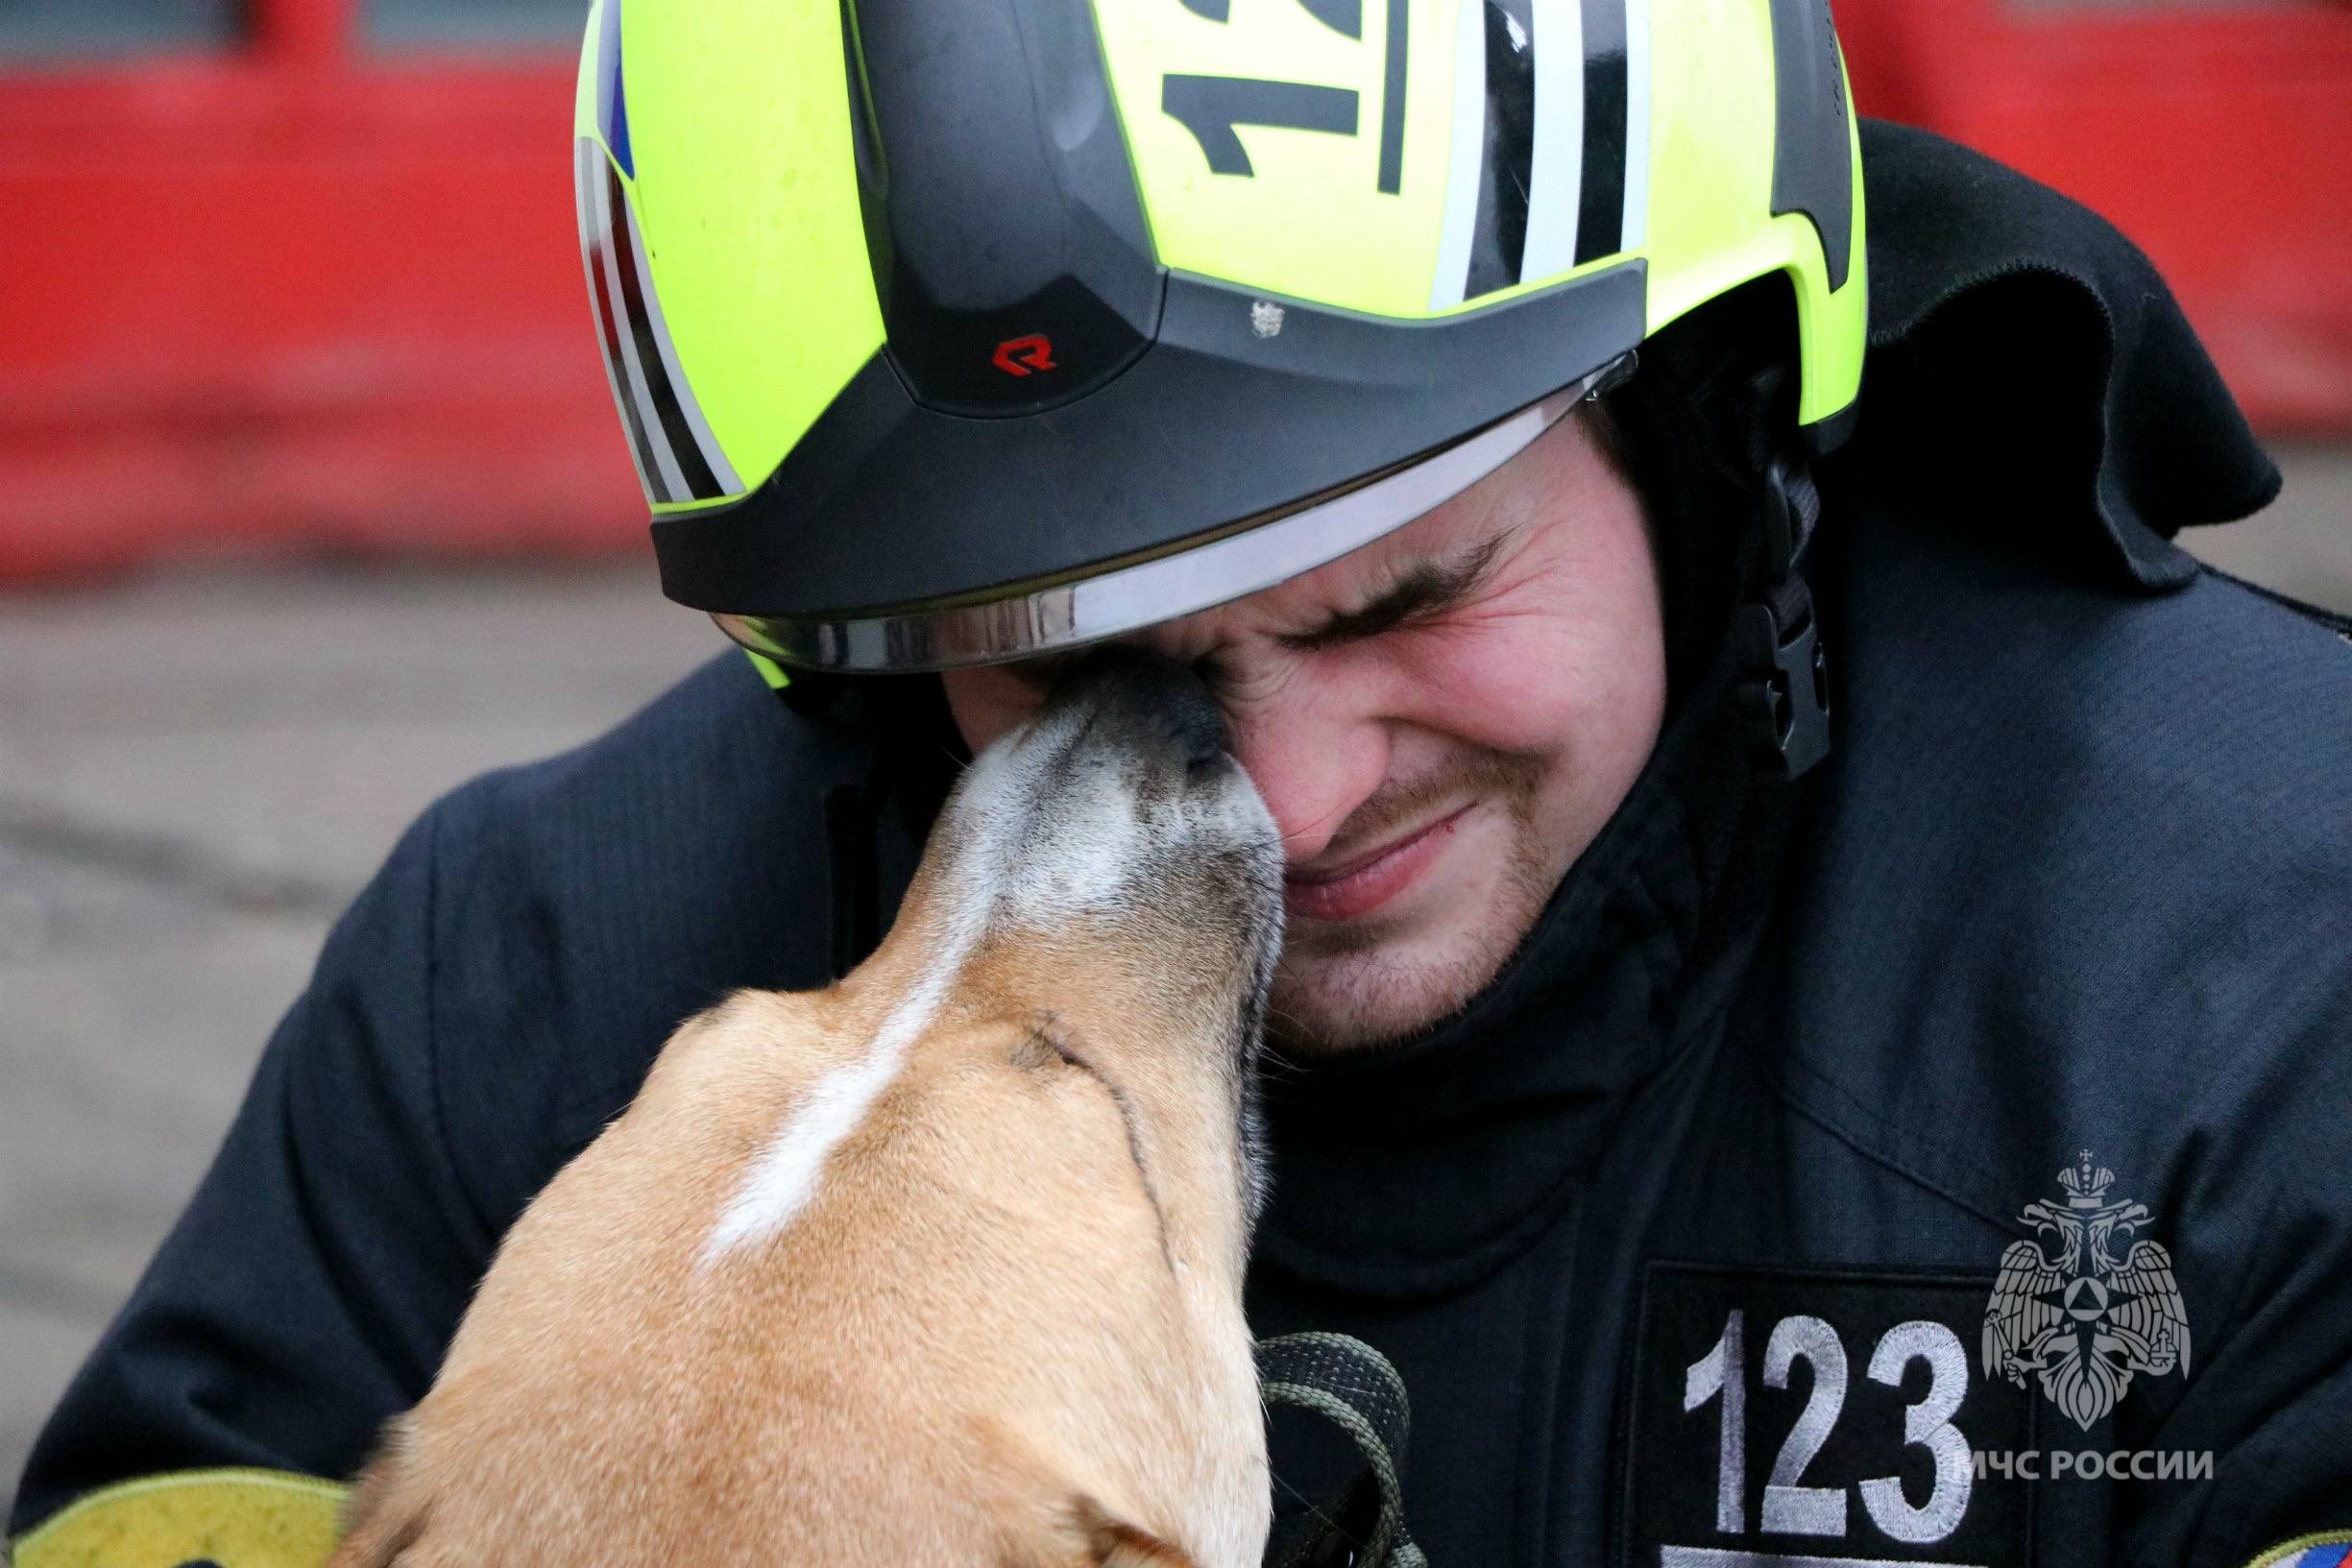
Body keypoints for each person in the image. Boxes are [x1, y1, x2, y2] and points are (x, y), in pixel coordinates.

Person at [12, 2, 2351, 1565]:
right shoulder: (519, 990)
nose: (1286, 800)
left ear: (1706, 427)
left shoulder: (2249, 1009)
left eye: (1390, 602)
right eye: (1069, 668)